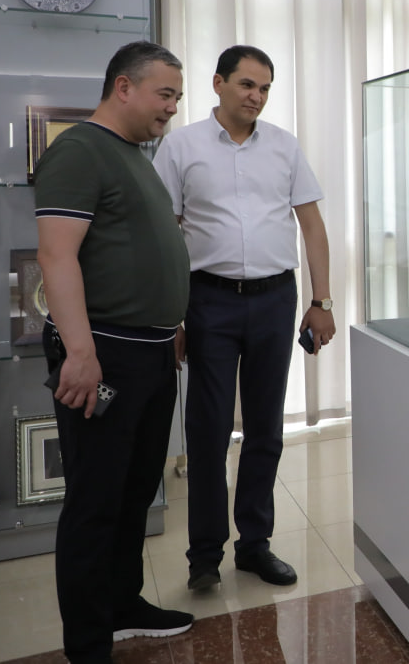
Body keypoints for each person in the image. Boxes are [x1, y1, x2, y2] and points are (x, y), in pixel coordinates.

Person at [152, 45, 336, 592]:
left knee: (265, 428)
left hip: (275, 300)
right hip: (208, 300)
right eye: (247, 85)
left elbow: (312, 226)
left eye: (265, 88)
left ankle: (254, 545)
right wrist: (172, 316)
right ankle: (205, 556)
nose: (256, 96)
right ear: (218, 83)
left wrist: (322, 302)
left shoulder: (283, 146)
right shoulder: (180, 146)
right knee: (207, 430)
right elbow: (165, 236)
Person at [36, 41, 193, 663]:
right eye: (164, 94)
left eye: (177, 97)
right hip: (104, 354)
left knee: (135, 490)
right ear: (123, 87)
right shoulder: (80, 149)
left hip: (151, 353)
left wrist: (169, 322)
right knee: (96, 500)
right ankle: (87, 643)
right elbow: (56, 256)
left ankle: (123, 604)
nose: (172, 108)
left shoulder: (133, 154)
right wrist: (80, 352)